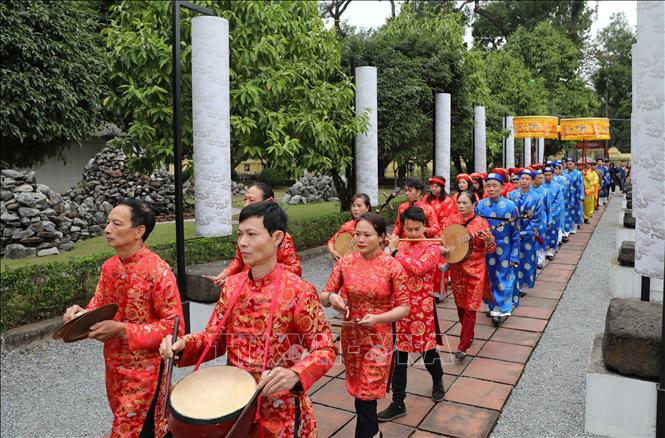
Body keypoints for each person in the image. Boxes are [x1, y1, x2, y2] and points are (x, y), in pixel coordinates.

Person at [160, 202, 336, 437]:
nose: (243, 242)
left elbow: (324, 348)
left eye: (252, 234)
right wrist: (184, 345)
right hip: (231, 404)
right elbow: (215, 338)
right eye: (240, 234)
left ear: (277, 237)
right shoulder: (233, 286)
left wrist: (294, 374)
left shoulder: (298, 291)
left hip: (278, 406)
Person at [63, 199, 185, 438]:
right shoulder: (110, 267)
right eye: (108, 222)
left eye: (117, 224)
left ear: (139, 231)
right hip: (114, 368)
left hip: (146, 373)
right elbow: (97, 307)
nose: (108, 229)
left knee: (138, 430)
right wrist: (79, 314)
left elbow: (174, 329)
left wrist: (122, 330)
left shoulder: (158, 272)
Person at [321, 212, 410, 438]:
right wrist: (333, 299)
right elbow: (325, 294)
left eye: (366, 235)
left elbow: (404, 307)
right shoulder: (346, 262)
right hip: (351, 335)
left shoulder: (392, 266)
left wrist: (378, 318)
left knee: (366, 393)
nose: (360, 239)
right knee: (358, 388)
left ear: (382, 238)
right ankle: (375, 434)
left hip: (379, 336)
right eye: (357, 234)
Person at [377, 207, 444, 422]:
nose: (413, 233)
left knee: (428, 353)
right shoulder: (401, 243)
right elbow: (388, 269)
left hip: (421, 309)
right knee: (399, 357)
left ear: (425, 226)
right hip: (399, 306)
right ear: (403, 227)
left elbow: (418, 269)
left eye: (417, 229)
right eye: (409, 229)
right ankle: (398, 403)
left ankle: (438, 380)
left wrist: (395, 251)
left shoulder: (432, 247)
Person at [214, 182, 301, 286]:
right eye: (245, 199)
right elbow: (239, 260)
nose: (246, 204)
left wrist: (263, 271)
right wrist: (226, 274)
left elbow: (295, 270)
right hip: (244, 287)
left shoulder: (281, 238)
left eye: (251, 200)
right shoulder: (232, 290)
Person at [441, 190, 495, 360]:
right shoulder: (451, 221)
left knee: (471, 307)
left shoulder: (481, 223)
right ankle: (468, 334)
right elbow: (444, 242)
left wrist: (489, 241)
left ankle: (462, 346)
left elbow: (491, 249)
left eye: (465, 203)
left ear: (474, 204)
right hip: (457, 271)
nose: (462, 206)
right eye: (459, 203)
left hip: (475, 270)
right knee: (461, 306)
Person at [476, 174, 520, 325]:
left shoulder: (510, 206)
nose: (491, 189)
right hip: (485, 250)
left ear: (502, 187)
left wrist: (514, 256)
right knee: (488, 278)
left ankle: (501, 308)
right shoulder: (481, 206)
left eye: (495, 185)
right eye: (488, 186)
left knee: (503, 278)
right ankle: (492, 306)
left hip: (505, 249)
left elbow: (515, 233)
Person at [508, 170, 544, 297]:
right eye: (522, 178)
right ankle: (512, 284)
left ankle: (523, 285)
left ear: (532, 181)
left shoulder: (536, 197)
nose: (524, 181)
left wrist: (526, 231)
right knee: (512, 258)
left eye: (527, 179)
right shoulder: (511, 195)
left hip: (528, 235)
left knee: (527, 259)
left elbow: (537, 218)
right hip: (512, 233)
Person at [423, 176, 457, 299]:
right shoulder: (425, 199)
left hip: (441, 236)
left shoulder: (448, 201)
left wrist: (439, 236)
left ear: (442, 187)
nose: (433, 189)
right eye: (431, 186)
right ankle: (428, 291)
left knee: (439, 264)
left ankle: (439, 293)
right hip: (427, 235)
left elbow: (448, 220)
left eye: (436, 187)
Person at [328, 193, 371, 261]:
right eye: (353, 206)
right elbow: (331, 241)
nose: (355, 209)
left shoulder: (373, 225)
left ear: (367, 208)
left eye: (359, 206)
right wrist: (333, 252)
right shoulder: (347, 225)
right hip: (346, 263)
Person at [541, 167, 563, 260]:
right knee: (543, 232)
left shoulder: (557, 186)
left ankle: (551, 250)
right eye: (545, 175)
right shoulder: (540, 186)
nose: (547, 177)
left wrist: (551, 209)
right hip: (542, 213)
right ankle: (542, 250)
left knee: (553, 231)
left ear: (552, 175)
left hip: (554, 213)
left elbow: (559, 199)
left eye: (549, 175)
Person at [531, 170, 550, 269]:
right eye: (540, 178)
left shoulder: (545, 191)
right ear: (533, 179)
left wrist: (549, 220)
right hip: (530, 221)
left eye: (542, 177)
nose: (542, 180)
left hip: (542, 220)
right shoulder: (528, 191)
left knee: (541, 239)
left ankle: (541, 260)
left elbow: (548, 207)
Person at [563, 158, 585, 234]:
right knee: (567, 211)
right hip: (566, 195)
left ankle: (574, 227)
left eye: (570, 164)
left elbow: (581, 185)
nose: (569, 166)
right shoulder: (564, 173)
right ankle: (567, 228)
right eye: (567, 164)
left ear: (574, 164)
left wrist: (581, 195)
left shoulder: (578, 173)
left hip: (576, 195)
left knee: (576, 211)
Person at [553, 161, 570, 244]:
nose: (554, 171)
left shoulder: (563, 179)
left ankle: (559, 238)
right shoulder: (545, 180)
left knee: (560, 220)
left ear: (560, 170)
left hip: (560, 202)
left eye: (556, 169)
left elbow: (565, 191)